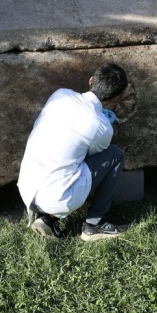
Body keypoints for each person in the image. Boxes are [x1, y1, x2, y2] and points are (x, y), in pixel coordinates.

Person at [17, 63, 129, 241]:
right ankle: (94, 224)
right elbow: (92, 158)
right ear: (116, 99)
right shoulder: (102, 127)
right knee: (114, 155)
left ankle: (48, 219)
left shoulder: (60, 94)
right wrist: (104, 122)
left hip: (27, 187)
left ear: (91, 80)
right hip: (58, 198)